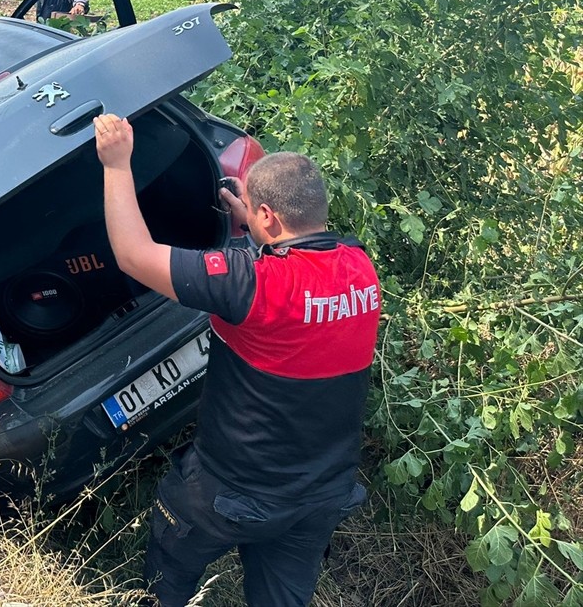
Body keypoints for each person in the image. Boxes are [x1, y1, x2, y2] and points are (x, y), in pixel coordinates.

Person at [92, 116, 381, 607]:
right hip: (321, 495)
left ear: (268, 215)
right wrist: (251, 225)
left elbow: (133, 256)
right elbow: (300, 271)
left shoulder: (251, 284)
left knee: (171, 567)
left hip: (233, 492)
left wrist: (117, 164)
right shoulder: (360, 268)